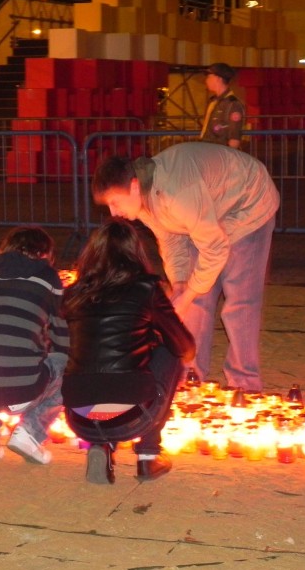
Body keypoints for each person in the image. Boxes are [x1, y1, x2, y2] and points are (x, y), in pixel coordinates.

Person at [91, 141, 279, 392]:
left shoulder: (176, 193)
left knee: (240, 301)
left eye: (115, 201)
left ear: (134, 186)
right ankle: (190, 376)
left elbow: (214, 247)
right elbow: (169, 238)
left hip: (247, 204)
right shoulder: (144, 201)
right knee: (194, 299)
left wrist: (189, 292)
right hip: (207, 208)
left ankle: (244, 383)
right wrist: (180, 282)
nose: (114, 212)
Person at [61, 219, 195, 484]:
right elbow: (184, 346)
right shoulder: (146, 288)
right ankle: (148, 455)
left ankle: (101, 445)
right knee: (171, 352)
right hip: (132, 416)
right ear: (135, 254)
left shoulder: (73, 294)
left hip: (78, 417)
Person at [0, 226, 69, 464]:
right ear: (46, 254)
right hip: (22, 389)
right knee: (66, 364)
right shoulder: (46, 277)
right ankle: (29, 432)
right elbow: (63, 336)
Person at [198, 62, 245, 149]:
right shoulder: (213, 102)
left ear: (218, 78)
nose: (206, 81)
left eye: (209, 77)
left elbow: (234, 140)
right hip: (208, 151)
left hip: (219, 154)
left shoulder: (232, 104)